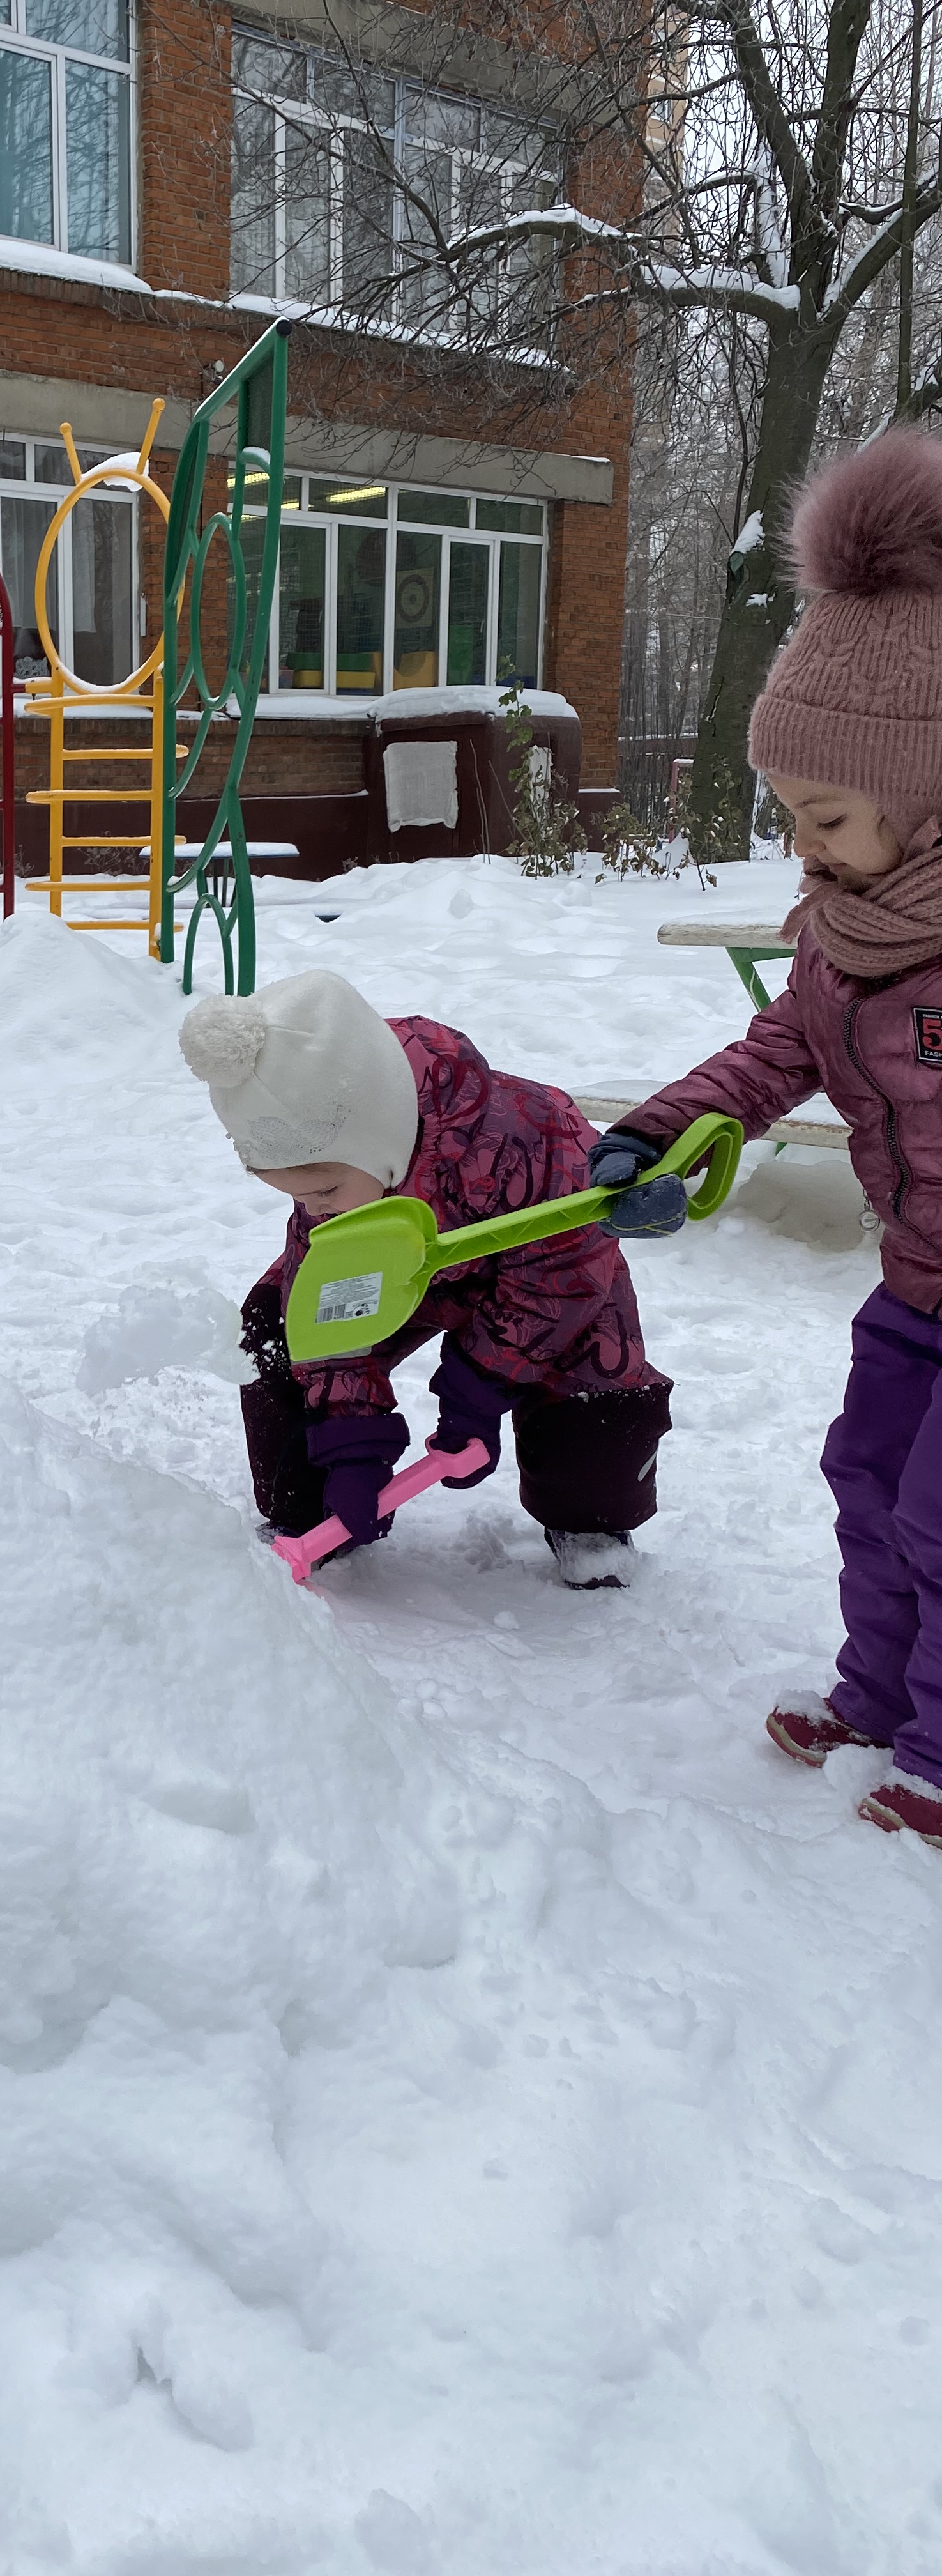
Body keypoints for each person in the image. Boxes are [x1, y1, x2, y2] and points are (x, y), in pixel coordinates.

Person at [589, 428, 942, 1852]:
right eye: (790, 814)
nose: (803, 845)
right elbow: (774, 1054)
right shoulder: (839, 940)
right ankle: (876, 1694)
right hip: (913, 1282)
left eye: (830, 817)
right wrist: (660, 1134)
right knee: (867, 1482)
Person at [179, 969, 672, 1589]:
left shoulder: (530, 1134)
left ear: (374, 1137)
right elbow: (328, 1313)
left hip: (544, 1291)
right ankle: (310, 1508)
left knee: (597, 1378)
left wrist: (479, 1388)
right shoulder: (332, 1201)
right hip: (401, 1276)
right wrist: (350, 1435)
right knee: (279, 1323)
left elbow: (563, 1276)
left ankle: (588, 1518)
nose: (315, 1209)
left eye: (326, 1189)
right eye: (297, 1196)